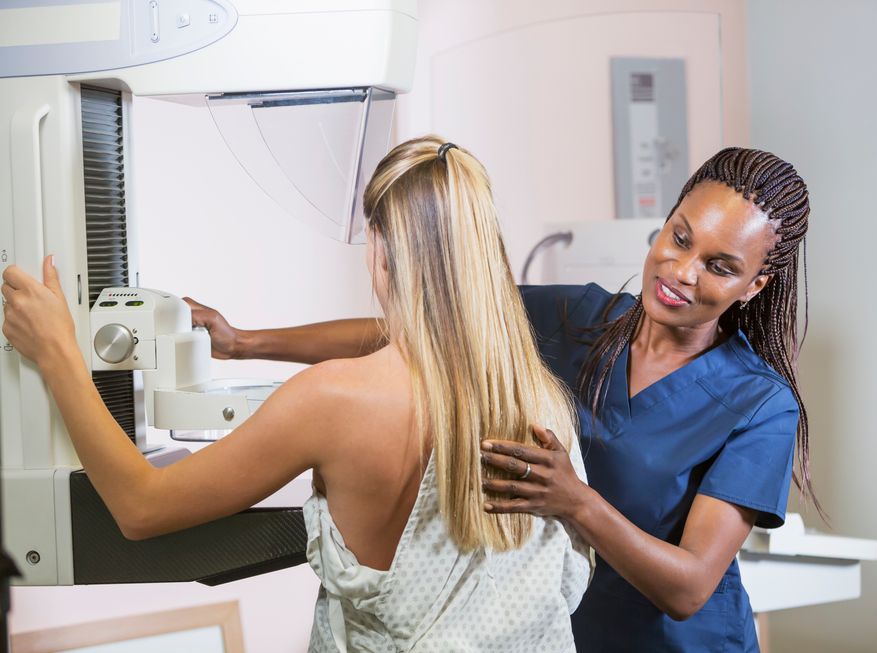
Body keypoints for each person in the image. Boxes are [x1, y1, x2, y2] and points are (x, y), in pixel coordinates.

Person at [184, 147, 814, 652]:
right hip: (567, 634)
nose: (682, 271)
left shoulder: (760, 403)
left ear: (754, 285)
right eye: (679, 238)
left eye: (720, 266)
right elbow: (418, 329)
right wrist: (245, 342)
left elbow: (689, 587)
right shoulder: (580, 318)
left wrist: (576, 502)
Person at [1, 136, 592, 652]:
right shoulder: (541, 403)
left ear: (379, 248)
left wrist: (58, 354)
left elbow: (141, 508)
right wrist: (244, 342)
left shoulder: (333, 401)